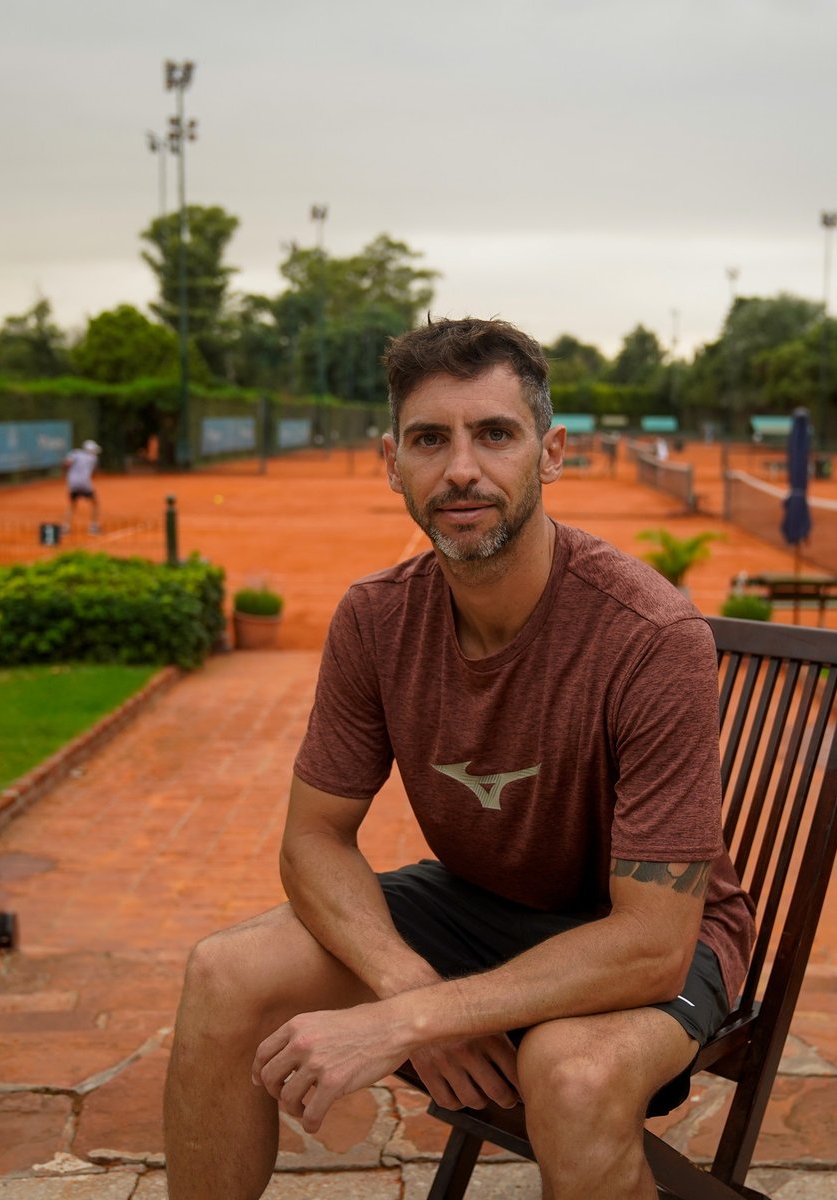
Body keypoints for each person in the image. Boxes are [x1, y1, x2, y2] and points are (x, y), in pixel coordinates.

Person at [163, 318, 752, 1199]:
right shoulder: (375, 619)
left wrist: (411, 1016)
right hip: (481, 905)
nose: (462, 469)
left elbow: (651, 945)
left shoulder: (650, 635)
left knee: (571, 1073)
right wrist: (408, 989)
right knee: (224, 973)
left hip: (649, 932)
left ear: (551, 454)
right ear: (391, 462)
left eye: (495, 434)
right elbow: (313, 840)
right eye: (430, 439)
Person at [63, 438, 102, 534]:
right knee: (95, 504)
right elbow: (94, 472)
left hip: (72, 484)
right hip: (85, 484)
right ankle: (93, 527)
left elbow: (66, 463)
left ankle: (66, 527)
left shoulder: (74, 454)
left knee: (72, 506)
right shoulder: (93, 458)